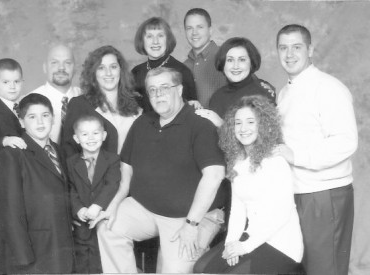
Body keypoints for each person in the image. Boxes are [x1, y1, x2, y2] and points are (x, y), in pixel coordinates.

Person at [92, 67, 226, 273]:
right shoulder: (142, 123)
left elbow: (214, 176)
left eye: (164, 88)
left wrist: (191, 224)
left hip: (190, 216)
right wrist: (113, 206)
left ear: (179, 90)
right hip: (145, 208)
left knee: (174, 271)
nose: (158, 94)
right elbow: (125, 174)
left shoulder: (200, 124)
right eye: (152, 90)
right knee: (108, 227)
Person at [274, 24, 358, 275]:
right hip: (298, 192)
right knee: (302, 267)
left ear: (310, 49)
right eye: (283, 48)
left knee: (325, 269)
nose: (289, 54)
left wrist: (297, 156)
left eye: (296, 47)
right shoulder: (285, 92)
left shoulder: (328, 88)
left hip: (324, 194)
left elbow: (346, 141)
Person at [194, 95, 304, 274]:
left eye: (250, 122)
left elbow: (282, 214)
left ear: (263, 125)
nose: (243, 128)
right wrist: (231, 243)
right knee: (202, 268)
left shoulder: (275, 161)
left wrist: (245, 247)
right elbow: (238, 210)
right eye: (238, 123)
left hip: (281, 244)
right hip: (250, 237)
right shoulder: (238, 163)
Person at [0, 93, 74, 274]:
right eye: (32, 117)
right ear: (21, 122)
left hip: (60, 250)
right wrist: (23, 259)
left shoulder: (60, 151)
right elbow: (9, 211)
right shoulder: (12, 155)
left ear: (53, 118)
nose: (40, 122)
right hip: (32, 257)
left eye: (45, 115)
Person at [62, 45, 140, 158]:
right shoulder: (79, 105)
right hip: (96, 175)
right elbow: (69, 150)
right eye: (101, 68)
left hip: (135, 174)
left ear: (121, 70)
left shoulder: (137, 104)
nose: (108, 73)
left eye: (113, 67)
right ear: (93, 73)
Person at [67, 115, 121, 274]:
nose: (91, 138)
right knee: (82, 263)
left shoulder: (112, 160)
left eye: (95, 133)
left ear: (104, 136)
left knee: (103, 263)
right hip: (81, 226)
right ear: (76, 138)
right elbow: (70, 188)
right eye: (84, 134)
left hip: (104, 223)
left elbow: (112, 184)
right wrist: (79, 209)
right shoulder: (71, 162)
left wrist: (96, 206)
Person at [196, 37, 276, 128]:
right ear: (223, 64)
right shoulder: (217, 97)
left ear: (251, 63)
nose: (235, 66)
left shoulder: (263, 92)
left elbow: (264, 136)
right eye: (230, 60)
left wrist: (221, 124)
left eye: (242, 60)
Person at [132, 17, 200, 112]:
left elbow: (191, 110)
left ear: (168, 40)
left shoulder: (182, 71)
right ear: (142, 41)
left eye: (160, 35)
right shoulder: (136, 72)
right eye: (149, 36)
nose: (155, 41)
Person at [30, 44, 82, 144]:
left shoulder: (86, 99)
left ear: (74, 68)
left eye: (67, 63)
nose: (61, 68)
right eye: (54, 63)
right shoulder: (30, 102)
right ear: (45, 67)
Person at [183, 8, 227, 108]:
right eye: (189, 28)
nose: (194, 33)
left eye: (200, 27)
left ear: (210, 30)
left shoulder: (227, 56)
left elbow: (250, 88)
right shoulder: (183, 67)